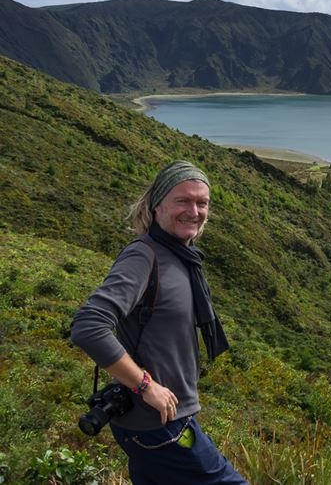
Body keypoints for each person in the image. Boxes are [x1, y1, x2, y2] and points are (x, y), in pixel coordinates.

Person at [71, 160, 247, 484]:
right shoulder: (144, 256)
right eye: (182, 200)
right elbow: (88, 325)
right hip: (162, 427)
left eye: (202, 203)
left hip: (155, 423)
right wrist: (145, 385)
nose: (194, 211)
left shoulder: (180, 256)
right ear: (157, 206)